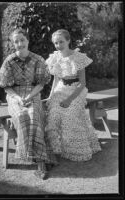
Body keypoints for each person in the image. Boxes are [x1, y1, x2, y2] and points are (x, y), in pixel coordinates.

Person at [0, 28, 57, 179]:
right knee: (22, 116)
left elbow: (41, 84)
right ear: (13, 44)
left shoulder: (38, 60)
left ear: (28, 40)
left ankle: (40, 162)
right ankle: (36, 156)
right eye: (16, 41)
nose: (19, 43)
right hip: (14, 95)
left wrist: (30, 96)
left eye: (22, 40)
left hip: (33, 92)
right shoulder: (9, 61)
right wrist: (18, 98)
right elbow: (5, 86)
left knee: (34, 116)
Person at [45, 29, 101, 162]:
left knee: (69, 113)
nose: (58, 45)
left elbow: (82, 84)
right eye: (56, 43)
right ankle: (57, 148)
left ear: (68, 40)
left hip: (76, 90)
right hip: (60, 88)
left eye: (61, 41)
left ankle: (75, 150)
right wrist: (50, 96)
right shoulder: (55, 57)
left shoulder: (78, 57)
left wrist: (69, 100)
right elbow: (56, 79)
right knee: (53, 114)